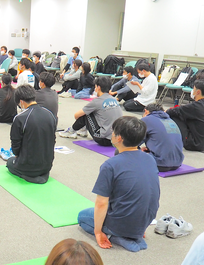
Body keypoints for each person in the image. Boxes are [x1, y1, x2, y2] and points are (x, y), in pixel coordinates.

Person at [77, 116, 160, 252]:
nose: (112, 133)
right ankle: (134, 235)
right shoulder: (150, 159)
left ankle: (116, 236)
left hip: (122, 223)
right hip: (145, 222)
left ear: (119, 138)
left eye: (113, 131)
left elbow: (101, 203)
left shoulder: (110, 165)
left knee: (82, 217)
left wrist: (98, 233)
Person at [7, 85, 56, 184]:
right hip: (47, 165)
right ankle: (40, 174)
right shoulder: (50, 114)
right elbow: (53, 140)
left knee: (9, 162)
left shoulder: (20, 118)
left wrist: (17, 156)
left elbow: (15, 145)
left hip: (28, 166)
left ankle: (28, 175)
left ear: (21, 102)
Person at [60, 77, 123, 144]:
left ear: (98, 87)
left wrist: (82, 123)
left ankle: (71, 131)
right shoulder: (114, 99)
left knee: (86, 114)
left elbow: (77, 115)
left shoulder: (97, 101)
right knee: (96, 112)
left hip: (103, 139)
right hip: (116, 139)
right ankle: (82, 130)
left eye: (95, 87)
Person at [166, 79, 204, 152]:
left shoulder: (195, 106)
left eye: (194, 89)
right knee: (182, 115)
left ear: (198, 92)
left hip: (193, 144)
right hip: (203, 143)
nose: (192, 91)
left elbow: (173, 111)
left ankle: (169, 140)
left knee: (173, 116)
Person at [141, 103, 184, 171]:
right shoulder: (171, 121)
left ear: (146, 111)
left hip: (159, 163)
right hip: (178, 163)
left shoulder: (146, 119)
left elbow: (134, 141)